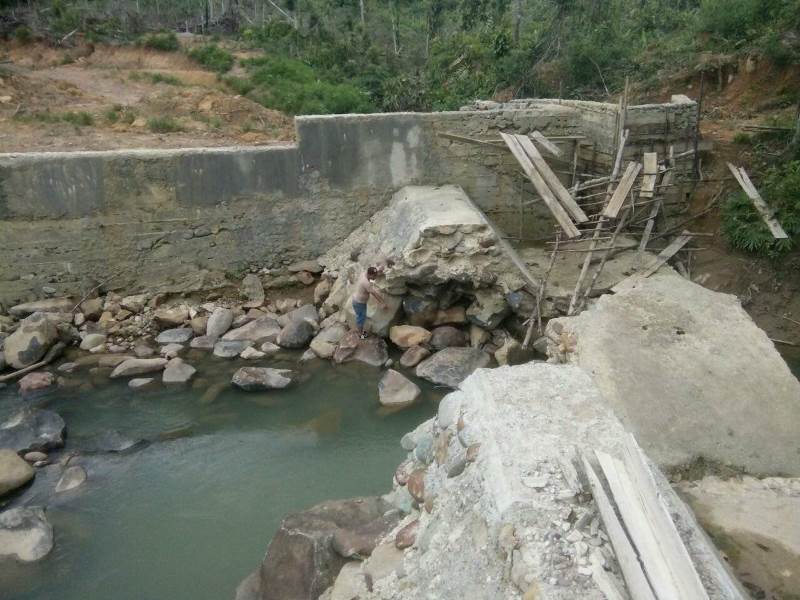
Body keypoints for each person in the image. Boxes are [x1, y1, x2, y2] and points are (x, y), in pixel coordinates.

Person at [352, 266, 387, 339]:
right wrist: (382, 302)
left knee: (360, 316)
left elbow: (373, 269)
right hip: (359, 303)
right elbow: (374, 293)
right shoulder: (366, 283)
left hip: (357, 300)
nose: (376, 277)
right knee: (361, 318)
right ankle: (360, 334)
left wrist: (379, 269)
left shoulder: (365, 273)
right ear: (370, 275)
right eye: (375, 276)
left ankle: (360, 331)